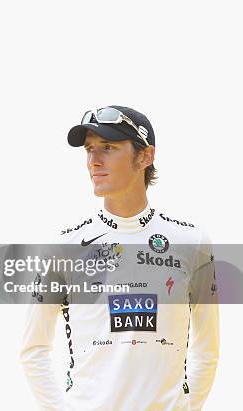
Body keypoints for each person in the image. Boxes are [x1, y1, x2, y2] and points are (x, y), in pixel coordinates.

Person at [19, 106, 219, 410]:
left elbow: (208, 349)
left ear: (145, 156)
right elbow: (33, 350)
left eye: (108, 148)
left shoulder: (192, 242)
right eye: (89, 149)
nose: (93, 161)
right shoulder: (63, 245)